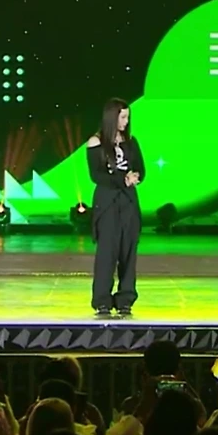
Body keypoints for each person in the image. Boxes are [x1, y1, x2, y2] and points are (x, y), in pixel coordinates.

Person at [86, 98, 145, 317]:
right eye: (122, 117)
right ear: (112, 117)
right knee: (107, 253)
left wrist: (135, 177)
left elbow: (141, 169)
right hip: (108, 201)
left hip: (128, 201)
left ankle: (125, 299)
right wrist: (122, 179)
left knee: (128, 252)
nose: (126, 121)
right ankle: (102, 300)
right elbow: (96, 175)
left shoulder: (131, 142)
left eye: (128, 117)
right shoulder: (96, 142)